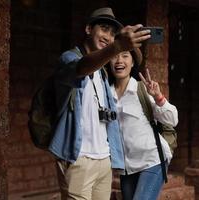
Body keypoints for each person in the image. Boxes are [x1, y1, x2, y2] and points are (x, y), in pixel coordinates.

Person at [47, 7, 151, 200]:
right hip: (78, 157)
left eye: (112, 34)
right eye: (103, 29)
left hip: (104, 159)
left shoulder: (103, 72)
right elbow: (80, 68)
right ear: (88, 29)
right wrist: (117, 46)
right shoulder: (69, 58)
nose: (108, 37)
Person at [107, 50, 178, 200]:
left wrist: (158, 97)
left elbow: (172, 119)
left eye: (125, 56)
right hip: (126, 168)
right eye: (114, 56)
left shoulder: (141, 89)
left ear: (132, 63)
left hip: (152, 160)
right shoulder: (106, 94)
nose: (119, 60)